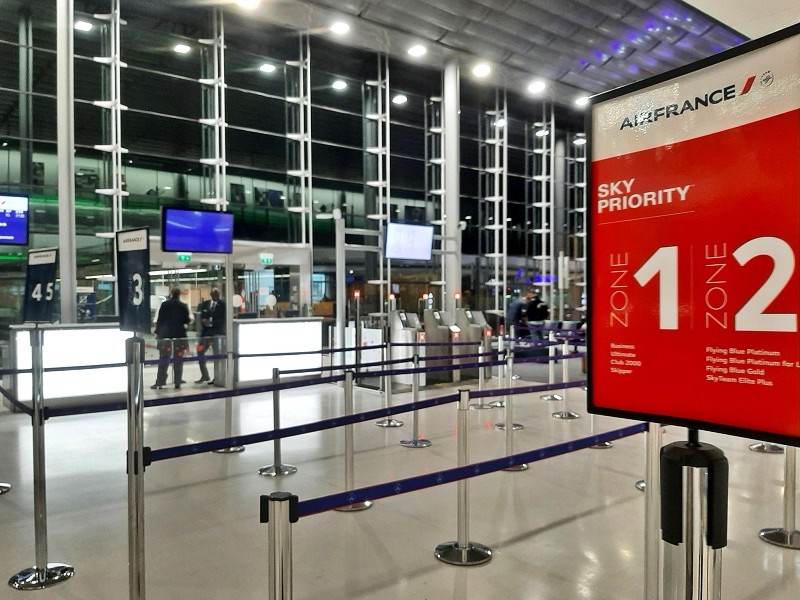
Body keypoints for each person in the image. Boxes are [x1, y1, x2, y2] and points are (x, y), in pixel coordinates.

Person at [152, 287, 192, 390]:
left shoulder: (165, 305)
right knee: (178, 360)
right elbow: (187, 320)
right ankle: (177, 382)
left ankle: (160, 382)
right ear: (179, 295)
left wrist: (157, 333)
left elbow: (160, 320)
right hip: (179, 336)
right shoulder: (183, 306)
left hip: (165, 336)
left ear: (171, 294)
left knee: (163, 359)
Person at [196, 288, 225, 384]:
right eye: (214, 294)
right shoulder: (205, 304)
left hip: (217, 334)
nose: (215, 296)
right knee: (200, 351)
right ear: (211, 294)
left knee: (216, 356)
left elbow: (223, 319)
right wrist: (204, 321)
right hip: (206, 334)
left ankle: (217, 377)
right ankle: (205, 375)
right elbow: (201, 316)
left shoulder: (223, 305)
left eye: (217, 294)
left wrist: (212, 322)